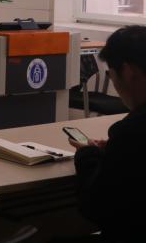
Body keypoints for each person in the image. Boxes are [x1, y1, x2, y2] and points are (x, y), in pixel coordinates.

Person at [67, 25, 146, 242]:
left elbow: (96, 206)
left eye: (110, 75)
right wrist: (113, 151)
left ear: (128, 72)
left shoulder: (131, 132)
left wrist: (87, 154)